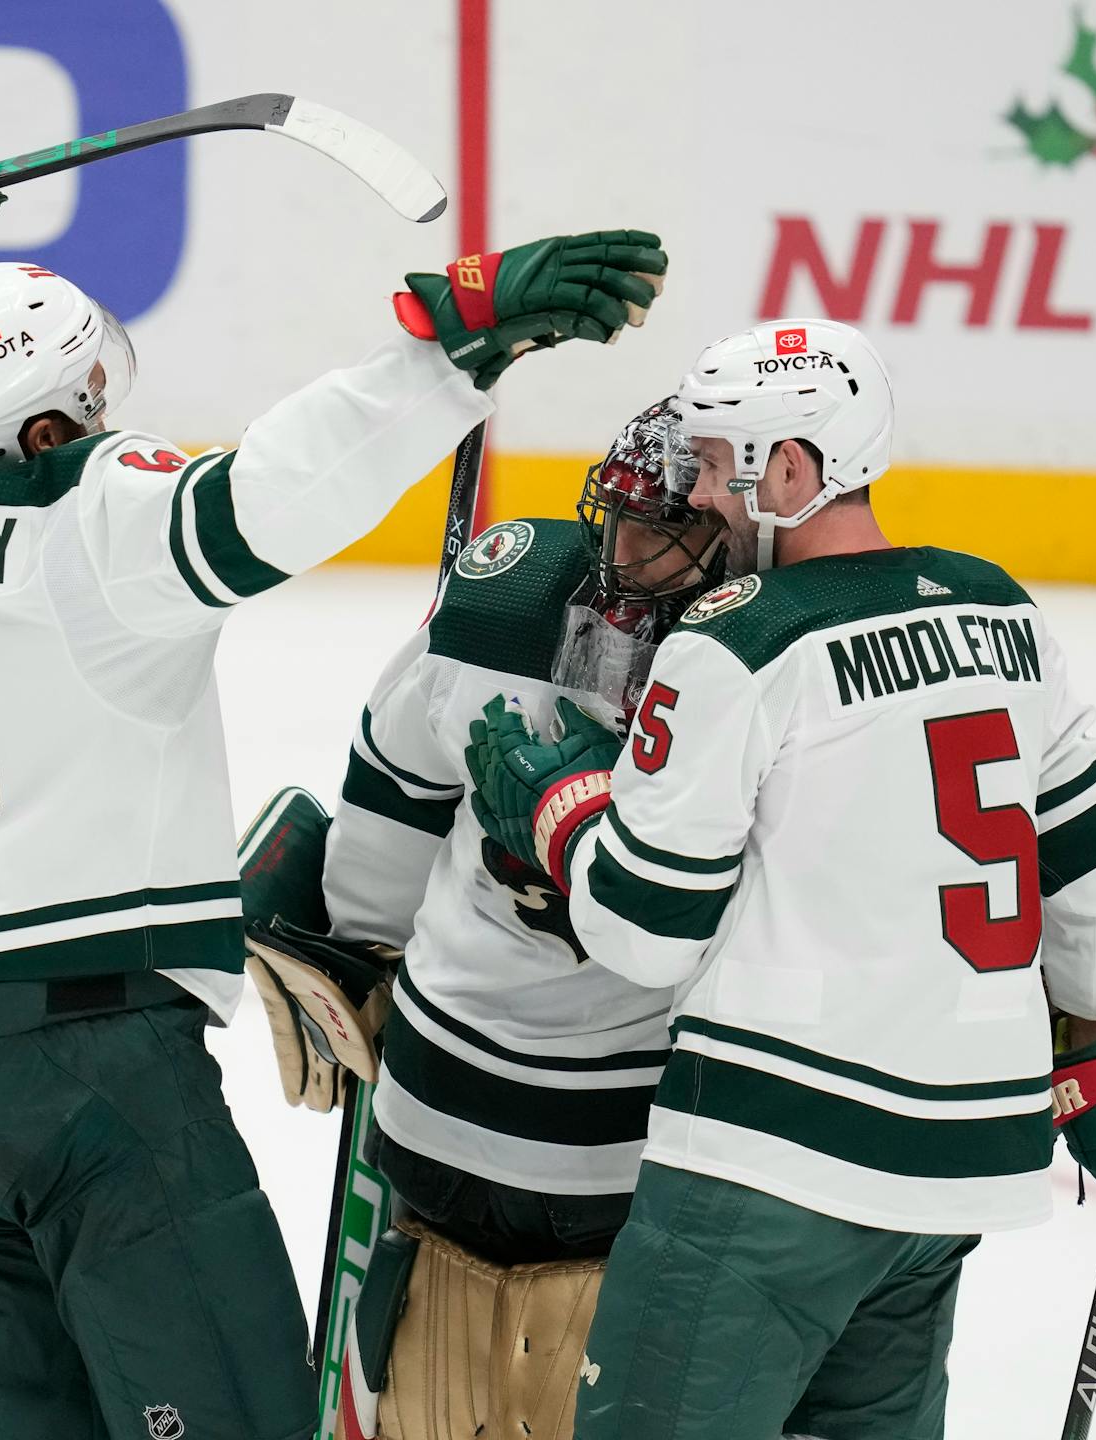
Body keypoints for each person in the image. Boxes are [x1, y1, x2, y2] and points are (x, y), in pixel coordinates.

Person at [0, 126, 666, 1438]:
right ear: (46, 424)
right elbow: (272, 493)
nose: (103, 413)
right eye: (83, 396)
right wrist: (446, 355)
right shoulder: (97, 524)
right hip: (85, 1074)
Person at [465, 318, 1096, 1439]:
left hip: (766, 1174)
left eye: (715, 464)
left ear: (792, 472)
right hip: (954, 1175)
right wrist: (1094, 1040)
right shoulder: (999, 608)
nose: (695, 493)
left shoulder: (735, 642)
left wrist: (563, 811)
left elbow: (649, 932)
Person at [238, 399, 726, 1439]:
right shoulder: (779, 660)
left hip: (465, 1107)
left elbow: (389, 787)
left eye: (659, 533)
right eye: (618, 522)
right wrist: (363, 956)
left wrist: (361, 947)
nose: (624, 555)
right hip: (620, 1146)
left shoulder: (508, 600)